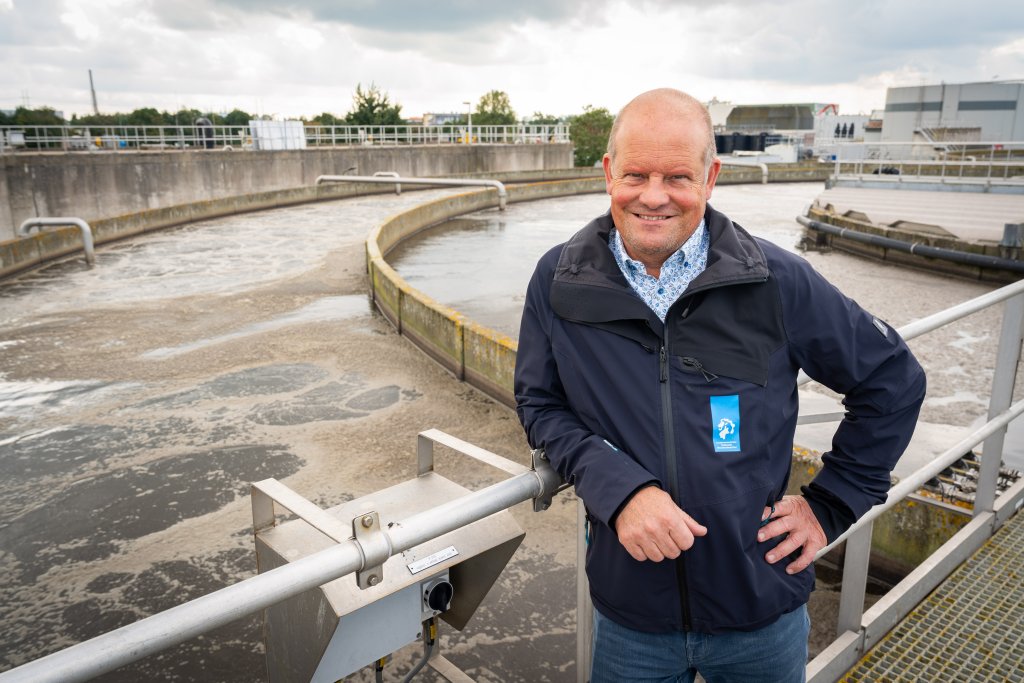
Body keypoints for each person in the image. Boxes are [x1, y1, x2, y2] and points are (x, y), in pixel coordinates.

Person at [513, 88, 926, 682]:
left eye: (677, 176)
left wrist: (830, 505)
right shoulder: (559, 280)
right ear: (609, 174)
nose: (653, 196)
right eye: (636, 174)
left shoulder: (775, 280)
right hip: (632, 617)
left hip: (761, 613)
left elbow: (892, 379)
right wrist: (618, 490)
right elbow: (540, 403)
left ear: (711, 178)